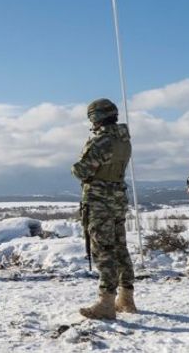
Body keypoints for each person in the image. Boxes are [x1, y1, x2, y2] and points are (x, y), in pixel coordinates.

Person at [72, 98, 137, 320]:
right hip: (117, 199)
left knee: (103, 250)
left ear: (95, 117)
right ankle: (126, 298)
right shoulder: (123, 141)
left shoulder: (101, 142)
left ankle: (106, 303)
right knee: (120, 247)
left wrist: (77, 165)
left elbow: (81, 171)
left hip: (100, 201)